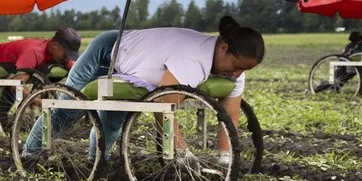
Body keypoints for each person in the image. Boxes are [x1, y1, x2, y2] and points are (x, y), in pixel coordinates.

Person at [20, 16, 263, 165]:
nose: (237, 74)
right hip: (107, 49)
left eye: (244, 70)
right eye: (236, 67)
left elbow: (229, 118)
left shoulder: (232, 69)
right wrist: (182, 151)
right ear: (223, 48)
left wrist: (225, 159)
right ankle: (29, 153)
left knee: (113, 121)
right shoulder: (194, 58)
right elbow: (162, 104)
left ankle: (97, 162)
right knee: (67, 107)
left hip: (133, 67)